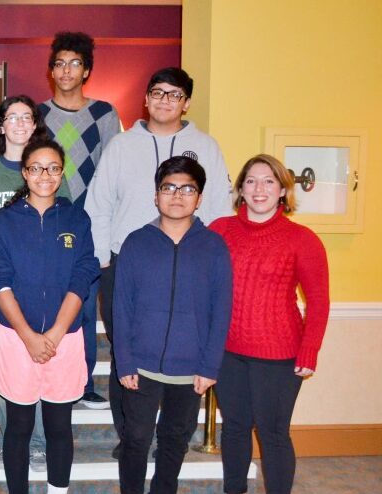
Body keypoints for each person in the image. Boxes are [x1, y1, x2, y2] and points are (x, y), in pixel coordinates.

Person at [84, 66, 232, 458]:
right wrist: (101, 263)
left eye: (175, 94)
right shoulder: (120, 145)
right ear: (146, 99)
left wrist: (211, 259)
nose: (166, 100)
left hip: (191, 266)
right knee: (125, 351)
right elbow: (99, 205)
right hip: (126, 266)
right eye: (158, 93)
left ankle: (174, 438)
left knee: (186, 349)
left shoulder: (206, 146)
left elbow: (218, 209)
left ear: (186, 102)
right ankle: (130, 435)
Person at [0, 137, 99, 494]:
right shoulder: (4, 221)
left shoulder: (76, 218)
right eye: (35, 168)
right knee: (17, 427)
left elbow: (83, 274)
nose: (44, 175)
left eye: (53, 168)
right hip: (17, 339)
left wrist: (58, 332)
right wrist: (29, 335)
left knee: (60, 426)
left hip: (66, 338)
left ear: (62, 173)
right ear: (25, 173)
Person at [209, 154, 330, 494]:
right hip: (228, 352)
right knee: (233, 428)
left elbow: (319, 301)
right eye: (251, 181)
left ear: (282, 190)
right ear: (241, 190)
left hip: (279, 355)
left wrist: (310, 351)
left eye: (268, 181)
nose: (259, 188)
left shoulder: (302, 239)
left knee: (273, 433)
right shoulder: (219, 231)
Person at [114, 156, 232, 494]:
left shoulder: (214, 247)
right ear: (156, 196)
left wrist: (210, 366)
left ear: (199, 197)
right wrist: (124, 360)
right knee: (135, 440)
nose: (177, 195)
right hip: (141, 366)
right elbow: (121, 307)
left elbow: (220, 310)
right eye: (168, 187)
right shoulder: (136, 243)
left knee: (174, 440)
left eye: (187, 188)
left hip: (191, 368)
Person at [38, 31, 122, 410]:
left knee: (84, 305)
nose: (66, 70)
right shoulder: (37, 115)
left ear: (86, 70)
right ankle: (43, 378)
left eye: (74, 63)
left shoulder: (104, 114)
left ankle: (83, 381)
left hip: (87, 225)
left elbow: (109, 174)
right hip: (48, 222)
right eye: (59, 63)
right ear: (51, 70)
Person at [0, 95, 50, 470]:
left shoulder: (47, 167)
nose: (18, 123)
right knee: (5, 364)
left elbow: (64, 222)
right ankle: (10, 443)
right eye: (10, 117)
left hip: (38, 285)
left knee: (38, 363)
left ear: (35, 124)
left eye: (26, 117)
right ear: (0, 126)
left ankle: (38, 443)